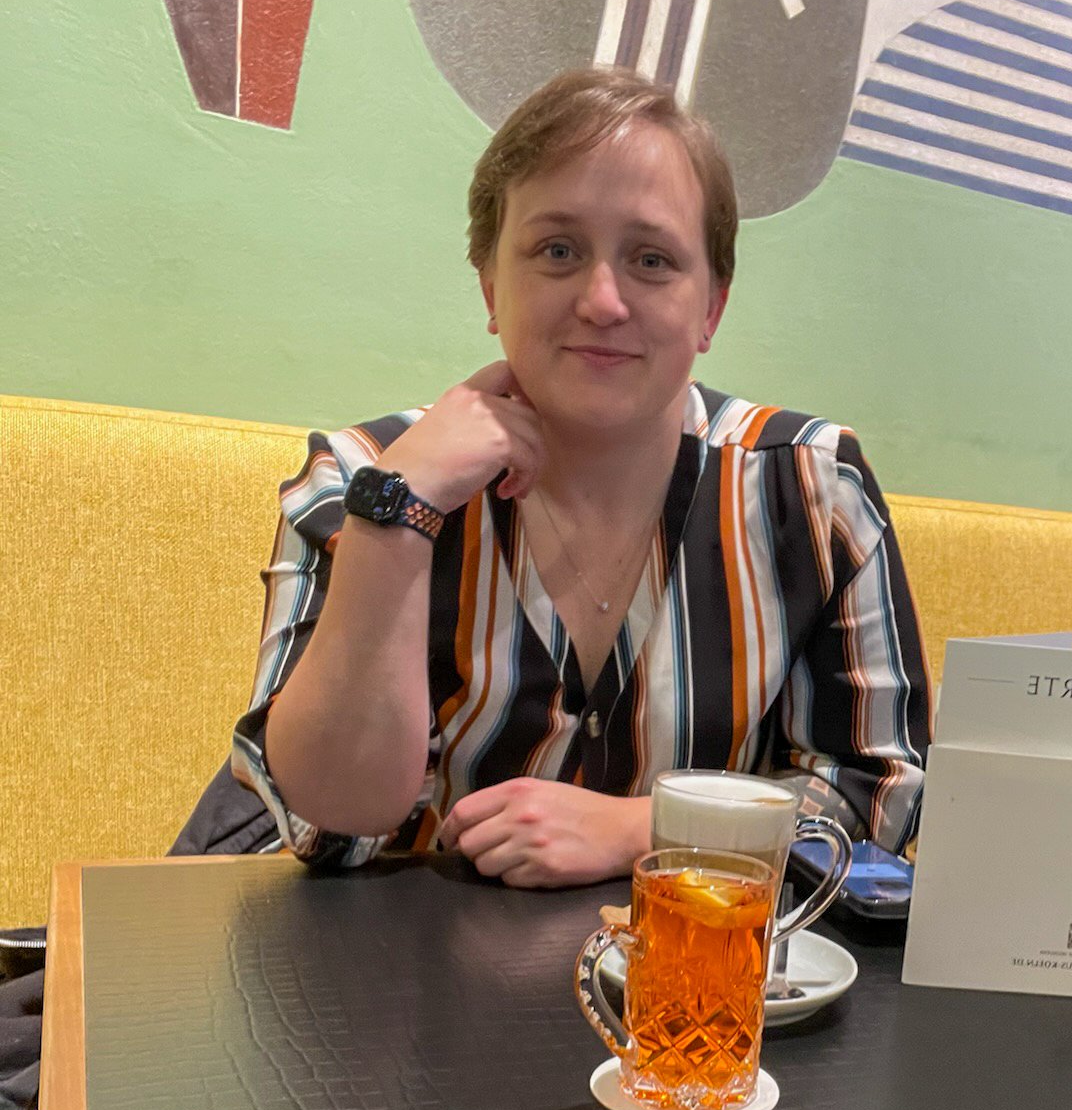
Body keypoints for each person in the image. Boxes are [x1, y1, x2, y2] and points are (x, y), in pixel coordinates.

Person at [232, 68, 929, 885]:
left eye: (652, 259)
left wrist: (646, 828)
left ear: (711, 308)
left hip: (686, 958)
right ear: (492, 286)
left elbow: (877, 794)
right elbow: (331, 819)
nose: (603, 300)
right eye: (557, 251)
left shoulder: (812, 493)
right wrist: (397, 517)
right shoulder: (361, 478)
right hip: (388, 957)